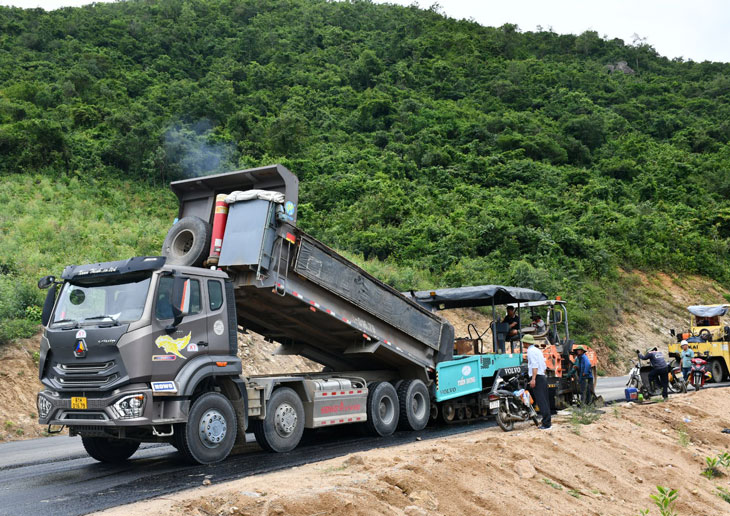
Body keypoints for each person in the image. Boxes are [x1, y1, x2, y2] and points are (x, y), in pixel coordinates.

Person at [525, 334, 551, 429]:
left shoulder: (530, 351)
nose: (523, 344)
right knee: (545, 400)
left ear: (526, 343)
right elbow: (543, 366)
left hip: (538, 377)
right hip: (542, 376)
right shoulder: (537, 350)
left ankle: (546, 424)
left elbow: (534, 365)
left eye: (524, 342)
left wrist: (533, 379)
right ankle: (547, 422)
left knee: (541, 401)